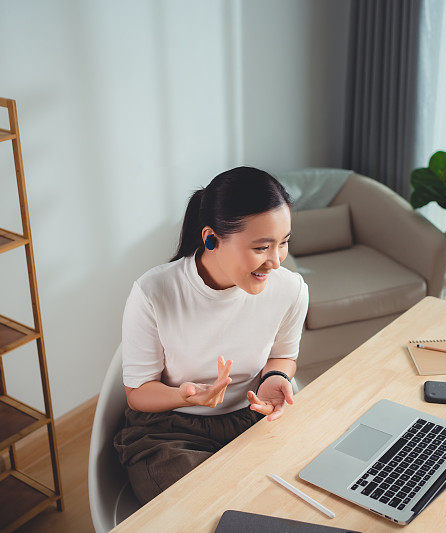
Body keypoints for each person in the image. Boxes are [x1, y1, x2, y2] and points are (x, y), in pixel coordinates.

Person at [113, 166, 309, 505]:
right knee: (210, 507)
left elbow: (283, 355)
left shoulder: (290, 290)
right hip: (169, 432)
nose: (276, 262)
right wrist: (187, 396)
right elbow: (138, 393)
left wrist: (275, 377)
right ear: (210, 238)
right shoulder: (153, 292)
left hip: (250, 418)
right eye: (262, 247)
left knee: (295, 495)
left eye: (284, 244)